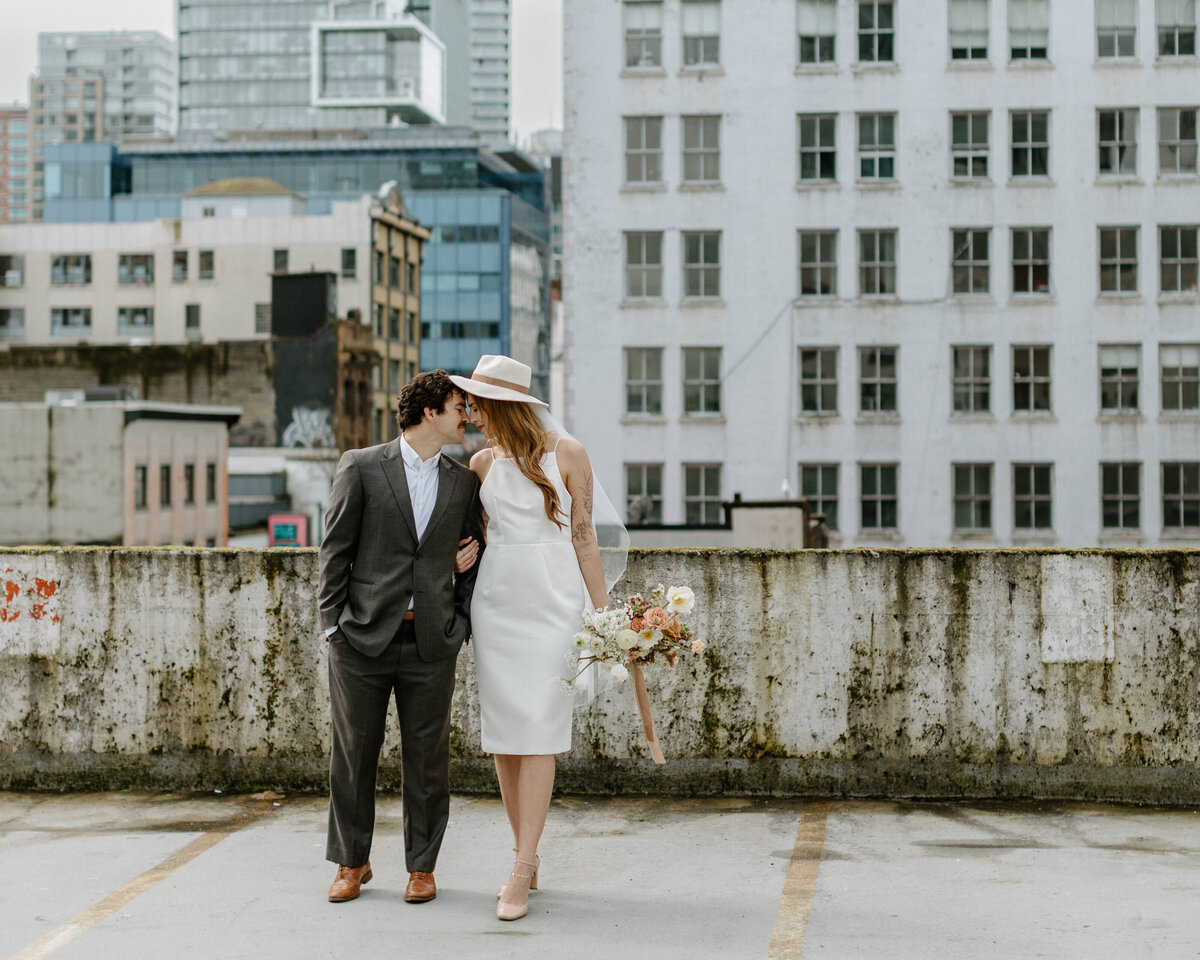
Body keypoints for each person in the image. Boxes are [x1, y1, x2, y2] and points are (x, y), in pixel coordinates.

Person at [448, 355, 613, 922]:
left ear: (504, 405)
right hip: (497, 605)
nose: (470, 415)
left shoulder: (568, 453)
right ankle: (527, 852)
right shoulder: (481, 464)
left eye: (476, 405)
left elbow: (585, 540)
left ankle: (520, 866)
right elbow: (469, 536)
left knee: (539, 730)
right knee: (505, 736)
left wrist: (605, 617)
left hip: (553, 603)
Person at [318, 370, 485, 905]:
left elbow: (477, 554)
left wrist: (459, 622)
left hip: (431, 642)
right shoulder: (362, 466)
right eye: (461, 406)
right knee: (353, 755)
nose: (469, 417)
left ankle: (422, 867)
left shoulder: (463, 482)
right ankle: (352, 862)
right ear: (430, 412)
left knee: (429, 760)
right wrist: (332, 628)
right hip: (361, 639)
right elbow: (334, 551)